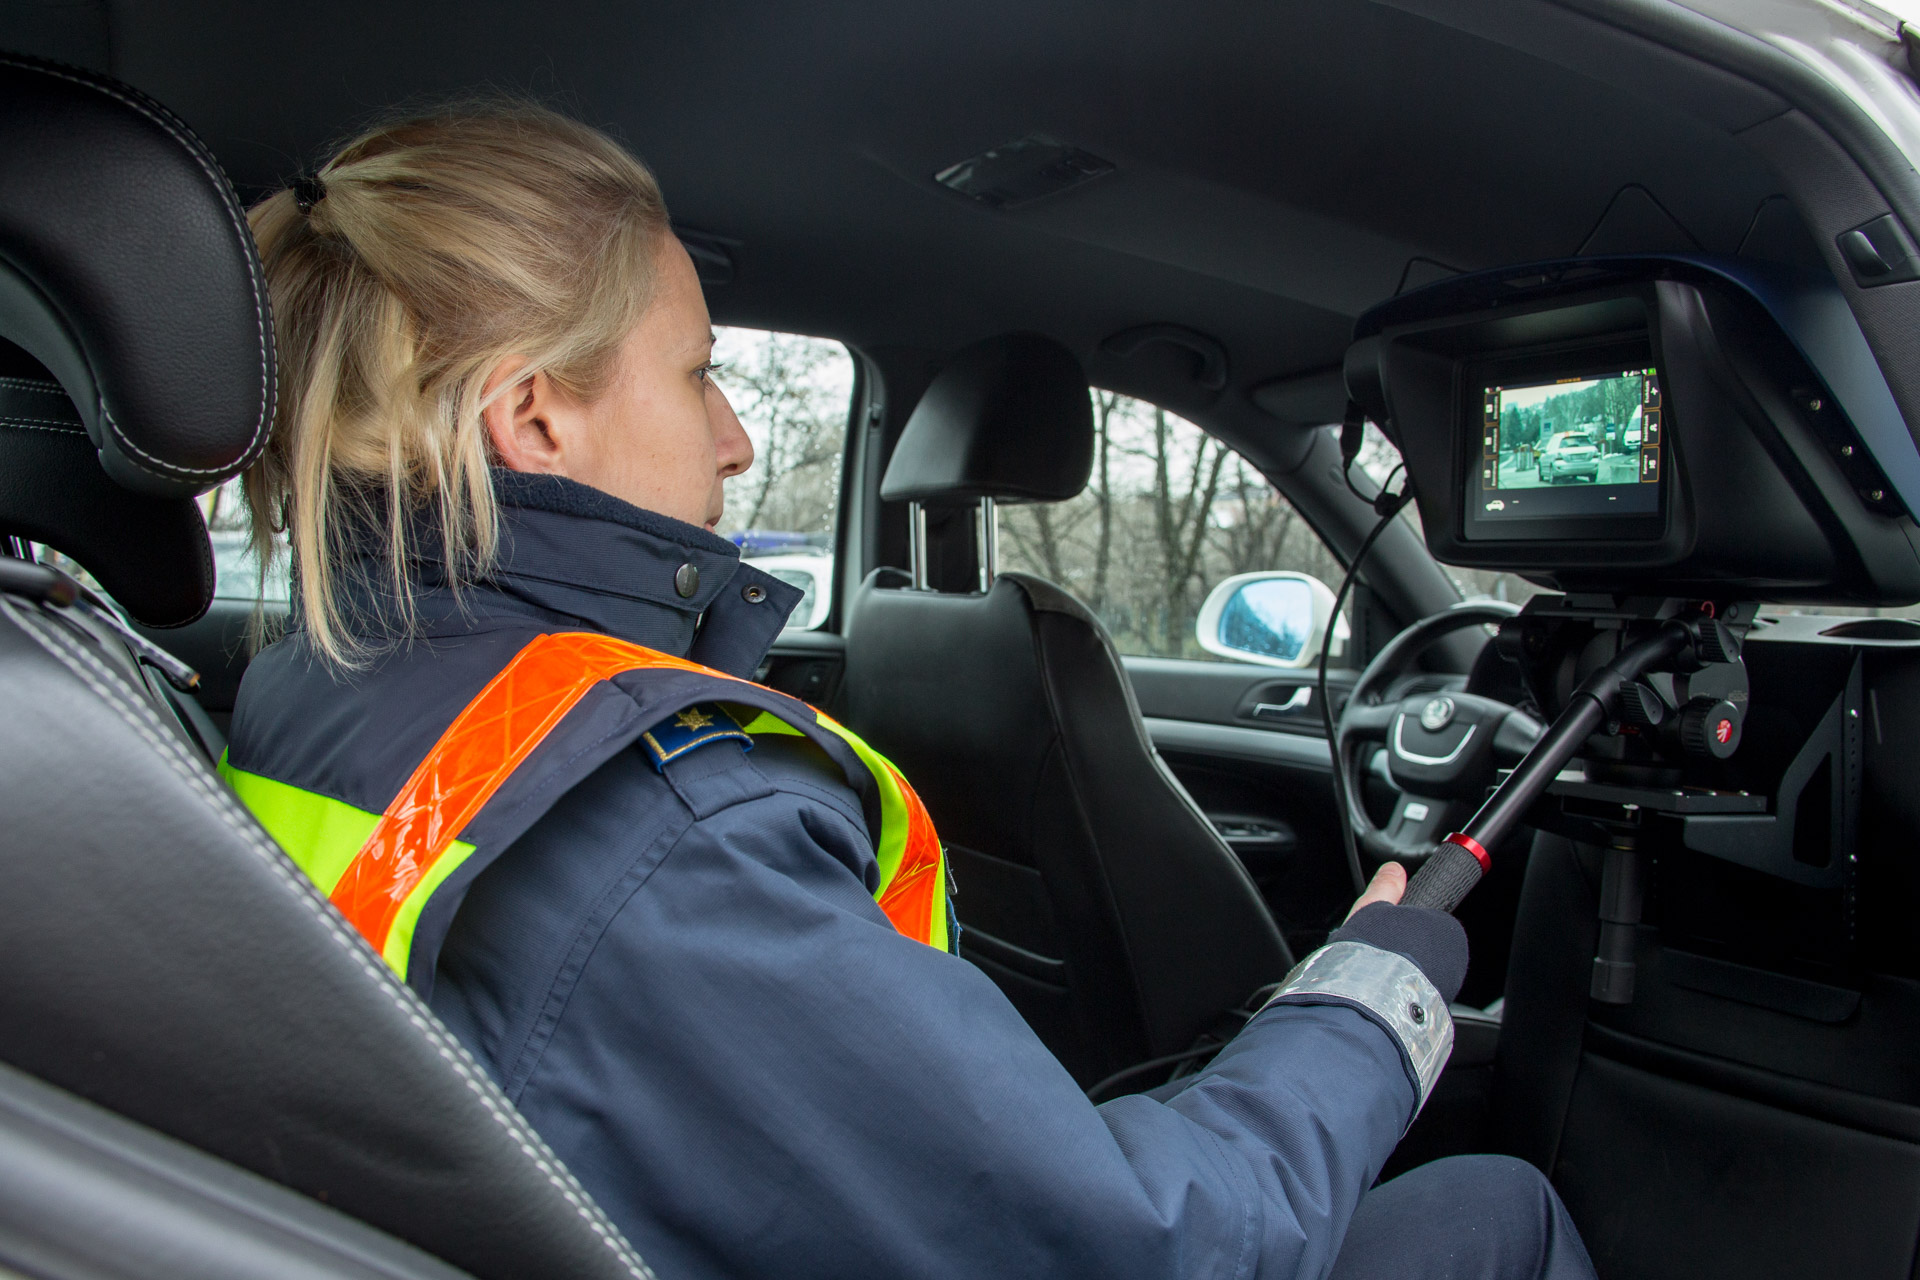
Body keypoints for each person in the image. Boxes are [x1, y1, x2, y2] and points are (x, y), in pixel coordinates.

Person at [221, 103, 1596, 1280]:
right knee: (1502, 1210)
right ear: (534, 417)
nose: (736, 438)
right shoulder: (665, 828)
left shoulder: (325, 686)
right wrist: (1369, 996)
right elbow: (1145, 1251)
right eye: (698, 374)